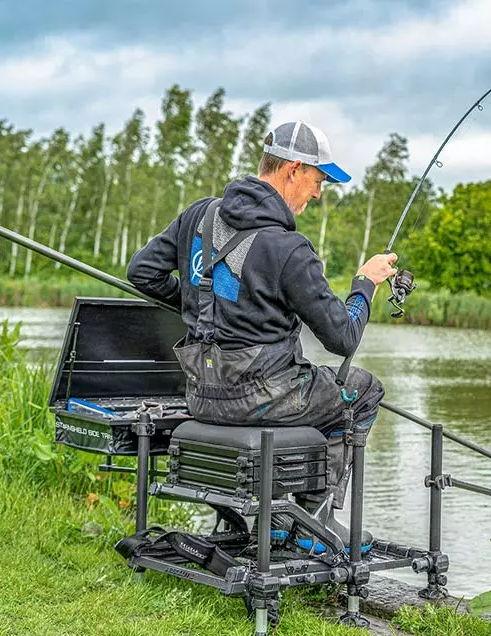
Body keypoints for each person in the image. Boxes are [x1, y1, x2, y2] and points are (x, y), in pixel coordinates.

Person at [127, 120, 397, 552]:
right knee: (363, 389)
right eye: (316, 179)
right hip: (261, 400)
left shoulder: (200, 214)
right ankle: (313, 520)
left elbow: (142, 272)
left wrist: (195, 300)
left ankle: (276, 522)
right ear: (292, 170)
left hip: (201, 395)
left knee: (320, 386)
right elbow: (343, 337)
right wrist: (365, 283)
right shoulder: (289, 249)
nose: (317, 193)